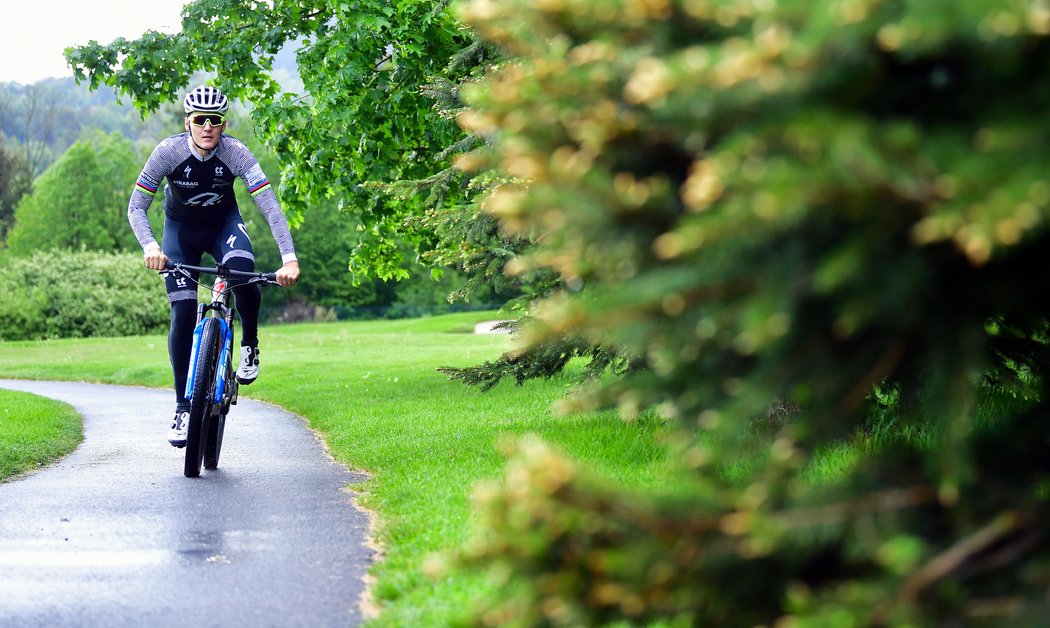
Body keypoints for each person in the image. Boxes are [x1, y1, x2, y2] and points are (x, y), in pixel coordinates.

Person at [128, 85, 300, 447]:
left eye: (215, 120)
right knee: (183, 312)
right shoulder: (167, 152)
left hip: (224, 227)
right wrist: (151, 246)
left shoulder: (236, 153)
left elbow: (270, 206)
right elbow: (136, 207)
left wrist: (289, 258)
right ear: (187, 122)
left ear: (224, 124)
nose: (207, 127)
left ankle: (250, 343)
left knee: (242, 274)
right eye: (200, 120)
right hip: (180, 236)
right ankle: (182, 407)